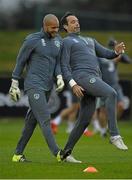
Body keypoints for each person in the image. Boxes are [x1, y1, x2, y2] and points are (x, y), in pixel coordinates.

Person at [59, 12, 128, 162]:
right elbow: (64, 66)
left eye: (77, 21)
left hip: (93, 78)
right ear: (65, 26)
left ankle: (66, 154)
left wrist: (116, 51)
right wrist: (73, 84)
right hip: (82, 77)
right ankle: (114, 134)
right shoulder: (66, 42)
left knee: (84, 120)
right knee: (111, 93)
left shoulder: (90, 40)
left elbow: (107, 54)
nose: (76, 23)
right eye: (72, 22)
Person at [9, 14, 69, 163]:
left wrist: (60, 76)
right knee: (45, 119)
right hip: (34, 85)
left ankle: (17, 154)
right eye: (53, 28)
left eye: (57, 28)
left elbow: (57, 63)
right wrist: (14, 83)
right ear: (45, 26)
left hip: (48, 86)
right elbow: (20, 61)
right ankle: (58, 153)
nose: (56, 30)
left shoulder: (58, 41)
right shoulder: (32, 40)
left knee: (31, 121)